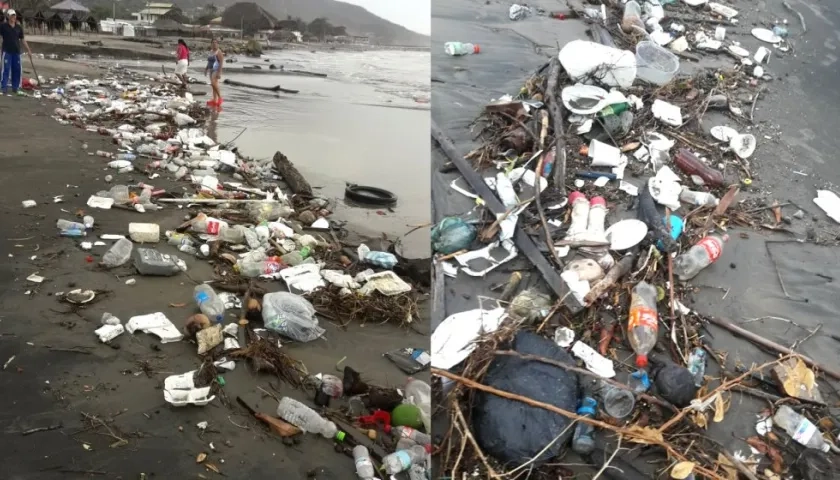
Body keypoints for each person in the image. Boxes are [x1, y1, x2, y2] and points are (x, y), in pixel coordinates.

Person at [0, 10, 31, 96]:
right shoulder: (3, 26)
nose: (13, 17)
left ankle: (15, 87)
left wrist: (28, 50)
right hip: (7, 51)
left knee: (17, 70)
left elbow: (22, 39)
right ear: (8, 16)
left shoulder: (18, 27)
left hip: (16, 52)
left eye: (14, 16)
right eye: (12, 16)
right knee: (5, 70)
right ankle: (3, 87)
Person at [204, 38, 224, 106]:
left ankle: (220, 98)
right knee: (213, 85)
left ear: (217, 44)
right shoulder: (211, 51)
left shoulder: (219, 52)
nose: (214, 44)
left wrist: (219, 73)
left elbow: (221, 63)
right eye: (213, 42)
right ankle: (215, 100)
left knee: (213, 83)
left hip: (216, 70)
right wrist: (206, 69)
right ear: (211, 44)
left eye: (216, 42)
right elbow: (209, 61)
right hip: (210, 70)